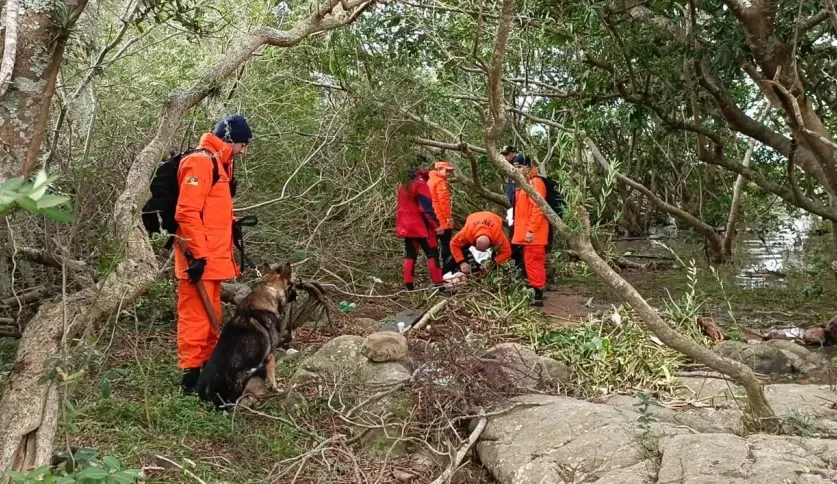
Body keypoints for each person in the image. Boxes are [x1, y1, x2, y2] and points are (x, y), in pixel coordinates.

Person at [175, 114, 252, 394]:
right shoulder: (201, 161)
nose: (244, 151)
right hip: (199, 259)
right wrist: (197, 255)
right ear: (231, 141)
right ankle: (191, 380)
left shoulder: (221, 165)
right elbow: (186, 212)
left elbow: (211, 213)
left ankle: (208, 373)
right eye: (243, 144)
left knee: (210, 318)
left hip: (213, 258)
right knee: (196, 318)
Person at [395, 162, 445, 290]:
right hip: (421, 226)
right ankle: (439, 285)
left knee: (410, 254)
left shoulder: (402, 184)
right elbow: (426, 208)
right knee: (432, 253)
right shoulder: (420, 184)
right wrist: (436, 225)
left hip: (406, 226)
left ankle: (409, 286)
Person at [511, 155, 548, 307]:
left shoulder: (535, 183)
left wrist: (531, 230)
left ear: (527, 167)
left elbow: (538, 208)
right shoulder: (524, 184)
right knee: (530, 262)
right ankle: (535, 291)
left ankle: (537, 295)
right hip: (528, 234)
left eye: (519, 166)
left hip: (534, 234)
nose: (517, 169)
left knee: (534, 263)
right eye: (515, 167)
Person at [501, 145, 526, 277]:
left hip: (520, 210)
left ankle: (521, 266)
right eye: (503, 155)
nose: (505, 157)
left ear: (513, 153)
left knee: (518, 237)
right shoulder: (509, 168)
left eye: (507, 154)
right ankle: (517, 264)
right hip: (511, 208)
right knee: (512, 236)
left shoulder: (518, 163)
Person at [428, 160, 456, 272]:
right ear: (439, 169)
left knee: (433, 247)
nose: (448, 173)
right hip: (441, 219)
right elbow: (443, 202)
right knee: (446, 244)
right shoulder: (440, 182)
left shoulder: (429, 181)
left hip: (432, 218)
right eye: (446, 170)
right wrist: (449, 218)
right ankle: (447, 270)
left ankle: (435, 272)